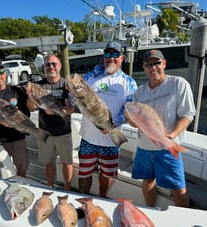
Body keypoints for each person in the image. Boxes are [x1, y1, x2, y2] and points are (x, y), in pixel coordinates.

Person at [129, 49, 196, 208]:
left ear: (164, 63)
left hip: (167, 147)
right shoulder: (139, 92)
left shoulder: (178, 84)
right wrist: (131, 118)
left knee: (178, 187)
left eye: (156, 63)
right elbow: (134, 124)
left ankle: (183, 219)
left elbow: (187, 115)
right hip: (144, 147)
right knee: (147, 180)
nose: (153, 68)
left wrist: (172, 136)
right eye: (148, 64)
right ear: (144, 68)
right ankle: (151, 209)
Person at [78, 41, 137, 197]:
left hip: (111, 140)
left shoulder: (129, 82)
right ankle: (84, 199)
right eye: (108, 55)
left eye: (115, 55)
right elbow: (77, 97)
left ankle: (101, 199)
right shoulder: (92, 76)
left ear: (122, 57)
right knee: (84, 173)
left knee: (106, 175)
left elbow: (128, 109)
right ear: (103, 57)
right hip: (88, 138)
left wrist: (112, 124)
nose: (111, 58)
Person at [32, 54, 74, 190]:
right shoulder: (38, 86)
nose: (50, 67)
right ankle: (49, 186)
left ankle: (67, 187)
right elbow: (32, 106)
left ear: (60, 66)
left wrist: (60, 110)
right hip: (45, 132)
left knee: (67, 162)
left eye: (53, 64)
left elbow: (72, 108)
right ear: (44, 67)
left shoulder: (67, 85)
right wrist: (30, 96)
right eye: (47, 64)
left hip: (64, 131)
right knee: (48, 162)